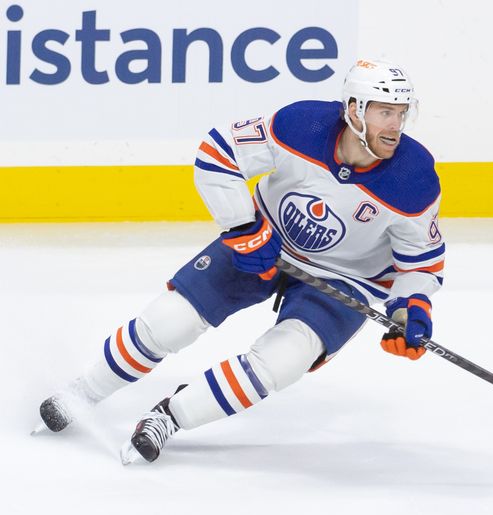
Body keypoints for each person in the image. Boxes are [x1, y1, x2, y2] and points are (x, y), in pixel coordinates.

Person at [36, 59, 445, 463]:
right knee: (169, 321)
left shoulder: (414, 178)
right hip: (265, 239)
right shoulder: (302, 125)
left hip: (347, 278)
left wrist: (410, 309)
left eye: (401, 113)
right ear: (355, 109)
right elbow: (218, 154)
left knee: (283, 361)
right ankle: (84, 392)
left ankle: (168, 418)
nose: (395, 125)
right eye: (385, 112)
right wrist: (243, 228)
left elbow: (421, 263)